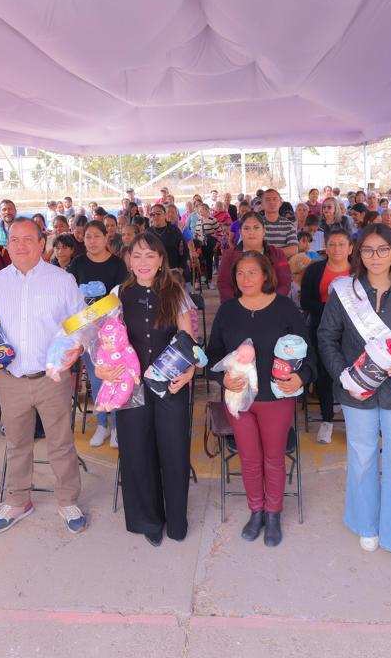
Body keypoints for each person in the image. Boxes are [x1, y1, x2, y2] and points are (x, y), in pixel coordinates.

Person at [317, 225, 391, 565]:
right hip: (357, 391)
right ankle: (365, 523)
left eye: (383, 249)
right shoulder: (345, 291)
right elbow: (326, 337)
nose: (375, 257)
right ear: (358, 253)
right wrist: (344, 376)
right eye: (368, 250)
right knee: (363, 458)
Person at [0, 219, 87, 534]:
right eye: (14, 239)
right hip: (11, 378)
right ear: (7, 244)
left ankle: (67, 500)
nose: (20, 245)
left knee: (60, 443)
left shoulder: (62, 280)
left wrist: (78, 345)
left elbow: (80, 322)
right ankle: (18, 500)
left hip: (52, 377)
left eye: (28, 239)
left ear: (42, 243)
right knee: (16, 443)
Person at [207, 251, 313, 547]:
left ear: (266, 275)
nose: (246, 279)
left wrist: (302, 377)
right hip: (239, 399)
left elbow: (309, 353)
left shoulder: (284, 308)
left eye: (252, 272)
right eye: (240, 273)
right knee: (250, 459)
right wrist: (222, 378)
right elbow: (213, 354)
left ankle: (273, 512)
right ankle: (256, 510)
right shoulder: (228, 310)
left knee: (273, 458)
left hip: (276, 399)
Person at [112, 233, 197, 545]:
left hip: (170, 383)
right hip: (130, 386)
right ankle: (147, 520)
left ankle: (176, 519)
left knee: (174, 450)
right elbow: (107, 342)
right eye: (136, 255)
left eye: (150, 255)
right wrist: (105, 368)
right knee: (137, 451)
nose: (143, 262)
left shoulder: (175, 292)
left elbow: (188, 340)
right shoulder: (118, 295)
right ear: (128, 260)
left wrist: (189, 371)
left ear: (161, 260)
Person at [67, 220, 129, 447]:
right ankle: (102, 424)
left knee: (115, 378)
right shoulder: (77, 263)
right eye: (88, 237)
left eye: (96, 236)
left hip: (111, 333)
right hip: (87, 333)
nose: (92, 241)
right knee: (96, 380)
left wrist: (100, 317)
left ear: (105, 238)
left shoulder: (117, 265)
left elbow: (119, 297)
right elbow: (70, 296)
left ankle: (117, 427)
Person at [299, 227, 353, 443]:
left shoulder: (359, 270)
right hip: (322, 330)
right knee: (324, 374)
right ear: (325, 247)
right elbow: (305, 302)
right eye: (332, 244)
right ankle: (327, 419)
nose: (337, 249)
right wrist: (332, 310)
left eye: (342, 244)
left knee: (353, 373)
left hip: (354, 332)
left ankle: (353, 419)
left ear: (350, 248)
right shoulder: (315, 270)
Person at [216, 213, 292, 304]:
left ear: (264, 231)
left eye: (256, 227)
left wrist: (269, 303)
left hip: (272, 306)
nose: (251, 232)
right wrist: (241, 305)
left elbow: (284, 283)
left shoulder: (277, 254)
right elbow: (224, 284)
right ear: (240, 232)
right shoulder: (229, 255)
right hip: (237, 307)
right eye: (246, 228)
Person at [259, 189, 298, 256]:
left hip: (282, 262)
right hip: (260, 261)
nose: (271, 202)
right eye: (267, 200)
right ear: (262, 204)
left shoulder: (289, 225)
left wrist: (268, 252)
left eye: (274, 199)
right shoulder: (256, 225)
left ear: (280, 203)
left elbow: (293, 250)